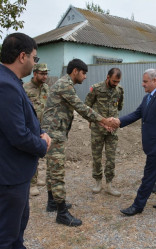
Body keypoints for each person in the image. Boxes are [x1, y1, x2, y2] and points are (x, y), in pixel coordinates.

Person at [0, 33, 51, 249]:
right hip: (7, 172)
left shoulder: (8, 80)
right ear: (22, 56)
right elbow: (18, 134)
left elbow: (23, 119)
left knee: (17, 226)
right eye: (34, 58)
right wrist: (43, 144)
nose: (35, 63)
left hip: (12, 170)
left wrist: (41, 132)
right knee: (7, 235)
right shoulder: (3, 85)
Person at [42, 58, 115, 227]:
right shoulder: (65, 85)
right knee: (57, 170)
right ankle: (61, 213)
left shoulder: (65, 84)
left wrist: (100, 121)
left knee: (51, 168)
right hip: (54, 133)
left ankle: (52, 202)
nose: (85, 77)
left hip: (53, 132)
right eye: (83, 73)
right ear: (75, 71)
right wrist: (103, 120)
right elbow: (81, 107)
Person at [110, 68, 156, 216]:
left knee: (148, 176)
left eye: (145, 81)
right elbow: (137, 114)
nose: (142, 84)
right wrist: (118, 121)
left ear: (154, 81)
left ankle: (137, 206)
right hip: (152, 144)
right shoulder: (148, 97)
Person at [85, 68, 124, 196]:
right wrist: (95, 121)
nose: (115, 84)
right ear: (107, 77)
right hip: (98, 129)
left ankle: (109, 184)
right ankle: (97, 182)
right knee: (96, 157)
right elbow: (87, 107)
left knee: (111, 158)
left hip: (112, 130)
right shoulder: (96, 88)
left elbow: (119, 107)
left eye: (118, 81)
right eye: (113, 81)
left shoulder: (119, 90)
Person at [24, 63, 50, 196]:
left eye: (46, 74)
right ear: (35, 74)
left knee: (40, 152)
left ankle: (37, 177)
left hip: (42, 126)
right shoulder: (25, 88)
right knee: (32, 153)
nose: (45, 76)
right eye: (42, 74)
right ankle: (31, 183)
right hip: (30, 126)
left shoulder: (45, 88)